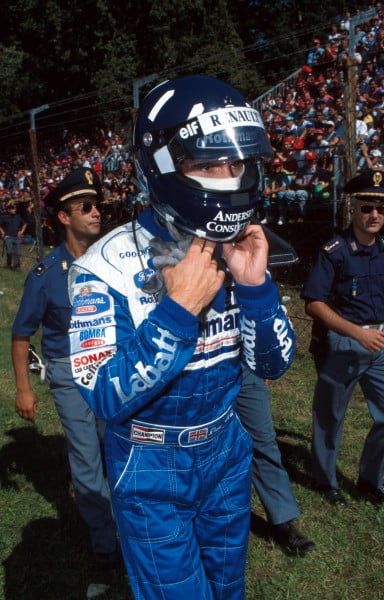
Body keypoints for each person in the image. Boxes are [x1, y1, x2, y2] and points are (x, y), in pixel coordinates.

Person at [67, 75, 296, 599]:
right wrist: (177, 312)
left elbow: (274, 364)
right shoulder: (104, 267)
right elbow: (102, 393)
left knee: (227, 587)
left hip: (226, 449)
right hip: (150, 466)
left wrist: (256, 287)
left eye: (235, 164)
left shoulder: (236, 247)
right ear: (163, 165)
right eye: (207, 164)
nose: (227, 177)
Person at [11, 168, 119, 579]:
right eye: (86, 207)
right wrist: (24, 388)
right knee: (86, 459)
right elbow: (21, 336)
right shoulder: (45, 276)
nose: (96, 214)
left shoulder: (112, 262)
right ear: (63, 217)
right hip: (68, 373)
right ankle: (106, 547)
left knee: (118, 447)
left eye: (98, 207)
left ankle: (130, 526)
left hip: (110, 369)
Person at [301, 170, 384, 507]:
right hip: (344, 343)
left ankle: (369, 479)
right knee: (330, 416)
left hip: (379, 343)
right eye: (367, 208)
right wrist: (355, 333)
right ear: (352, 208)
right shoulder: (334, 250)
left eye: (380, 209)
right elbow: (314, 304)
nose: (374, 215)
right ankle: (326, 480)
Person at [236, 368, 315, 556]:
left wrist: (264, 364)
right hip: (196, 370)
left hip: (243, 368)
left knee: (263, 441)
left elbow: (260, 337)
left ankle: (282, 520)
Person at [0, 200, 27, 270]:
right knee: (9, 251)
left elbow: (25, 223)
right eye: (12, 209)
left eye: (14, 209)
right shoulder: (4, 217)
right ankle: (8, 264)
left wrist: (21, 231)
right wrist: (2, 231)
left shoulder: (18, 216)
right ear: (8, 210)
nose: (14, 210)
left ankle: (16, 266)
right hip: (8, 237)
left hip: (16, 237)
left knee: (17, 252)